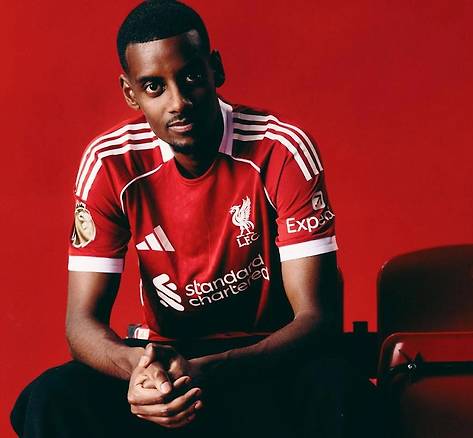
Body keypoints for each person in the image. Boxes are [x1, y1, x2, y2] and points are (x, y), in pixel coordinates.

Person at [11, 1, 379, 437]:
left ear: (215, 69)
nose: (179, 102)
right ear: (130, 93)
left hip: (266, 362)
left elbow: (317, 318)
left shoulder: (280, 150)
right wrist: (138, 371)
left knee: (340, 391)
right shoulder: (110, 163)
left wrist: (214, 370)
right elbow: (81, 324)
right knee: (50, 398)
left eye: (191, 78)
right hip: (166, 361)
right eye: (154, 87)